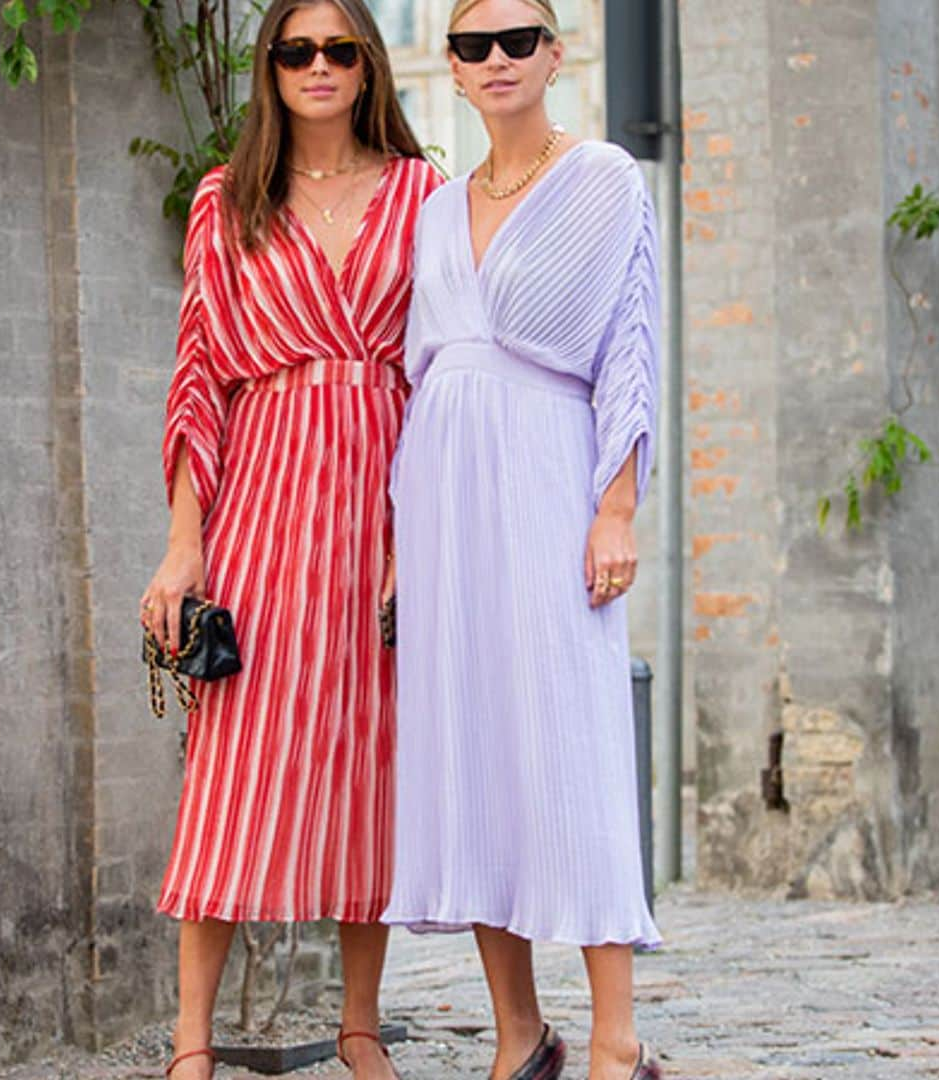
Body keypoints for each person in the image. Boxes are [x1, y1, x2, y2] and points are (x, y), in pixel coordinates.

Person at [137, 1, 440, 1076]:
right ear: (270, 68)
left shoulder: (421, 195)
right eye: (297, 50)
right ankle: (191, 1042)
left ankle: (360, 1027)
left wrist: (427, 532)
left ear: (368, 68)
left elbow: (441, 371)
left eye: (340, 49)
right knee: (233, 764)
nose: (319, 66)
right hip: (263, 503)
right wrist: (185, 548)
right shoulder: (228, 203)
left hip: (383, 505)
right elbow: (197, 385)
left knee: (372, 759)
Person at [380, 0, 663, 1077]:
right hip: (443, 497)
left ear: (555, 54)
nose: (494, 60)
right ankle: (517, 1035)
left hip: (551, 479)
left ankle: (617, 1038)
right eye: (470, 45)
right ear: (449, 71)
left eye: (515, 40)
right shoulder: (437, 213)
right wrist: (402, 540)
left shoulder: (601, 179)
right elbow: (416, 377)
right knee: (474, 755)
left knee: (571, 742)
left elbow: (629, 346)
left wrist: (615, 506)